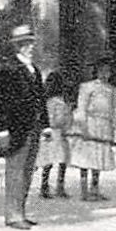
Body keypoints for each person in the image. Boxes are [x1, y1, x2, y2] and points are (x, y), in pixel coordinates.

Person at [0, 24, 47, 230]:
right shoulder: (7, 70)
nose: (31, 47)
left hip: (33, 130)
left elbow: (41, 100)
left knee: (27, 172)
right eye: (26, 44)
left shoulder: (35, 70)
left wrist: (45, 126)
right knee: (15, 172)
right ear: (18, 46)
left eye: (31, 43)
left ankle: (21, 211)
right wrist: (1, 131)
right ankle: (13, 215)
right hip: (14, 131)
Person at [71, 55, 116, 201]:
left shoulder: (111, 90)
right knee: (86, 158)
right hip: (89, 123)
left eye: (107, 71)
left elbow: (112, 110)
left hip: (103, 125)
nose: (105, 74)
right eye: (102, 71)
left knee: (98, 158)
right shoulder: (87, 87)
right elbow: (82, 108)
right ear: (96, 71)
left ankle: (95, 188)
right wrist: (82, 126)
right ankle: (84, 191)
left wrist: (112, 126)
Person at [38, 70, 72, 199]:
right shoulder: (59, 102)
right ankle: (59, 186)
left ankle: (44, 186)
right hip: (58, 133)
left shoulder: (46, 101)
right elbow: (59, 119)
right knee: (62, 161)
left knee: (48, 161)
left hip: (48, 133)